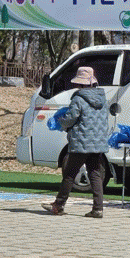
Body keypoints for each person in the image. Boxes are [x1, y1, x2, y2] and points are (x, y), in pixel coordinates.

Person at [41, 66, 110, 218]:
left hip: (81, 142)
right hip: (98, 143)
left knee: (70, 174)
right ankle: (98, 209)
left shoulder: (78, 99)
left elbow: (71, 118)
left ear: (80, 84)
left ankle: (58, 205)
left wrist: (61, 122)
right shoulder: (103, 99)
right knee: (95, 174)